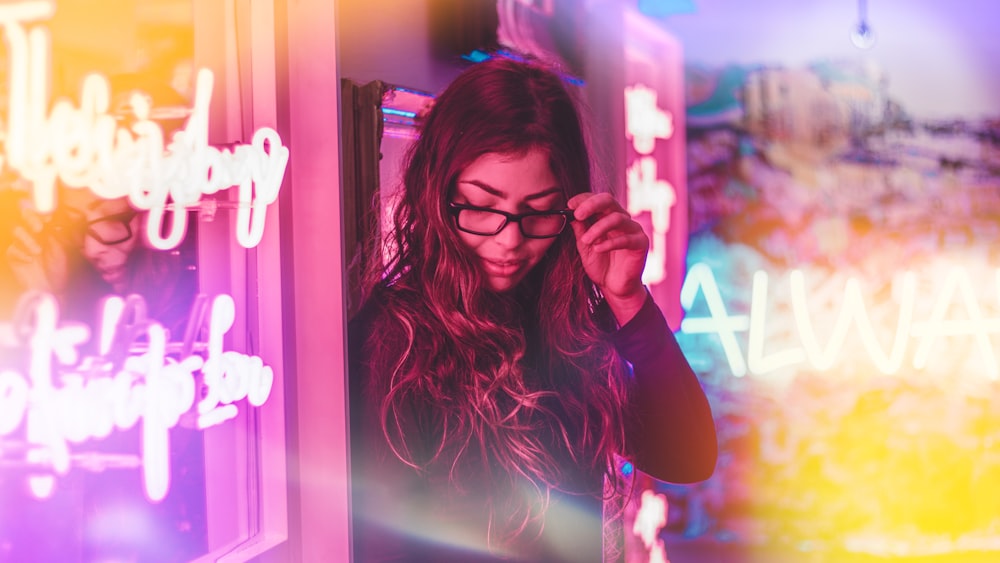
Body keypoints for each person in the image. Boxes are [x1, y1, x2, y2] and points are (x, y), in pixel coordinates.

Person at [348, 55, 718, 562]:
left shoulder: (565, 327)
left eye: (540, 212)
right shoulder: (396, 337)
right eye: (481, 205)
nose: (511, 241)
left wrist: (629, 299)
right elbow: (379, 548)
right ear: (439, 191)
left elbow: (687, 454)